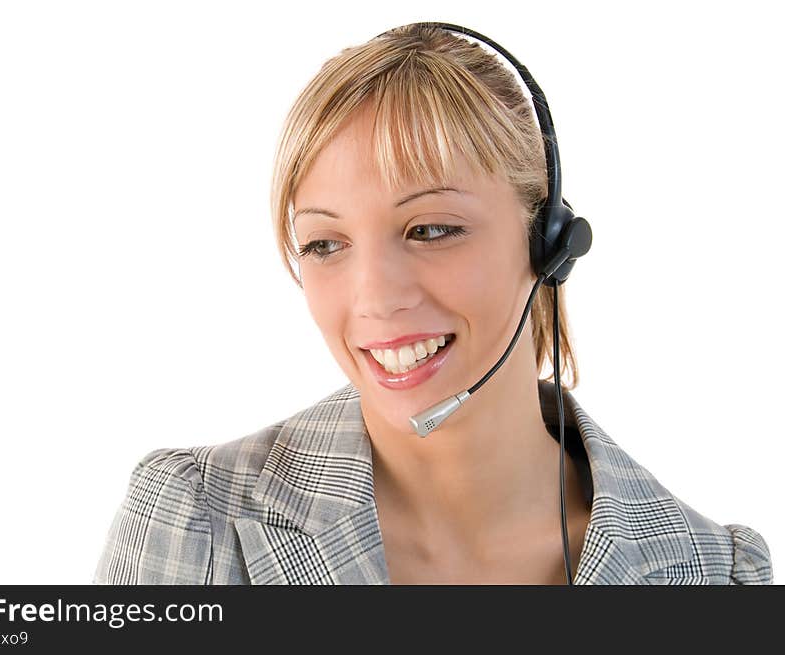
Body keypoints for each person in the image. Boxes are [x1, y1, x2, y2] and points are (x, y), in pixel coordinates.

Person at [93, 22, 772, 585]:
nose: (376, 297)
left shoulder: (714, 572)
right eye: (327, 244)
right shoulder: (198, 524)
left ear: (547, 242)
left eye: (431, 230)